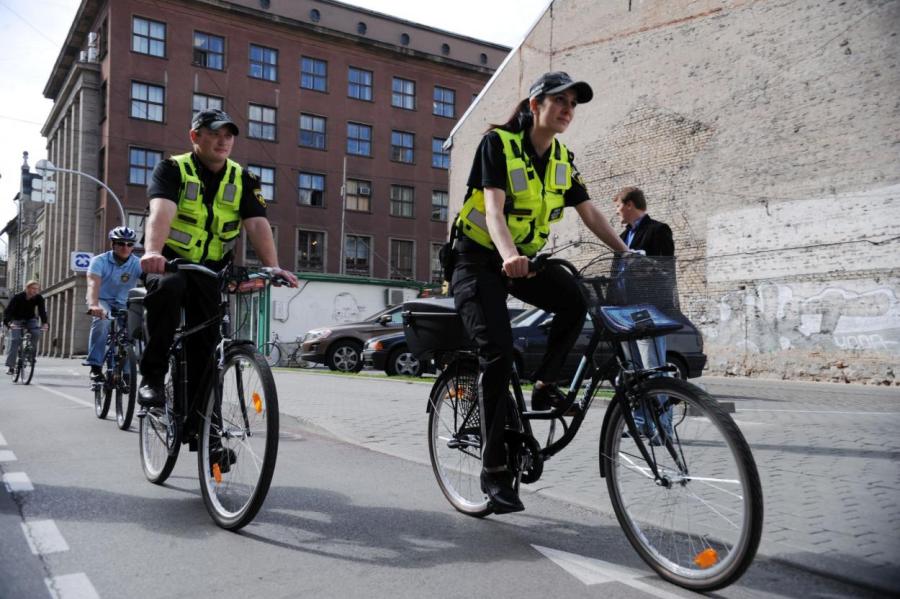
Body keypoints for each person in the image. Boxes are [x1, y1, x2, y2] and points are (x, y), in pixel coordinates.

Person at [450, 72, 629, 513]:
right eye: (559, 101)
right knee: (497, 352)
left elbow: (588, 211)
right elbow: (493, 208)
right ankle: (493, 474)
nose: (567, 110)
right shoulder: (499, 144)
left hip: (520, 264)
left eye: (573, 104)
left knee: (575, 300)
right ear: (535, 105)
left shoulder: (563, 159)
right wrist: (509, 254)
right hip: (476, 260)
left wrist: (628, 251)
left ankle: (546, 385)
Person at [138, 108, 298, 408]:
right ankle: (153, 377)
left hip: (211, 270)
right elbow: (161, 211)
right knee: (167, 290)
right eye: (214, 134)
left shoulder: (244, 178)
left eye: (228, 136)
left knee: (207, 347)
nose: (222, 141)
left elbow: (257, 224)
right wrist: (153, 252)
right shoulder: (173, 169)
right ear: (194, 136)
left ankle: (204, 429)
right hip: (171, 262)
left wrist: (272, 266)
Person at [613, 186, 675, 441]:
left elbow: (665, 269)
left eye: (618, 205)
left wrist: (641, 262)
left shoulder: (658, 230)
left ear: (629, 205)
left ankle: (663, 427)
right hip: (623, 313)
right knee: (633, 371)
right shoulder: (621, 236)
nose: (616, 211)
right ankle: (641, 424)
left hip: (647, 312)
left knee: (654, 369)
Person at [83, 226, 143, 382]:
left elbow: (151, 282)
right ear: (113, 244)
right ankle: (95, 366)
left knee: (135, 330)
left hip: (125, 302)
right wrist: (94, 305)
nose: (125, 247)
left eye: (130, 244)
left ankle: (129, 371)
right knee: (102, 322)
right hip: (102, 300)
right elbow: (93, 285)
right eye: (121, 243)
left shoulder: (137, 263)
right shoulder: (99, 261)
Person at [4, 280, 49, 374]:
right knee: (15, 340)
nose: (35, 291)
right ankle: (11, 366)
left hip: (30, 319)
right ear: (27, 288)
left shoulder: (38, 298)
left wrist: (45, 323)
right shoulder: (18, 297)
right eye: (33, 289)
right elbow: (8, 311)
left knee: (36, 333)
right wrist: (9, 323)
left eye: (37, 289)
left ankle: (29, 355)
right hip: (16, 320)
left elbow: (42, 311)